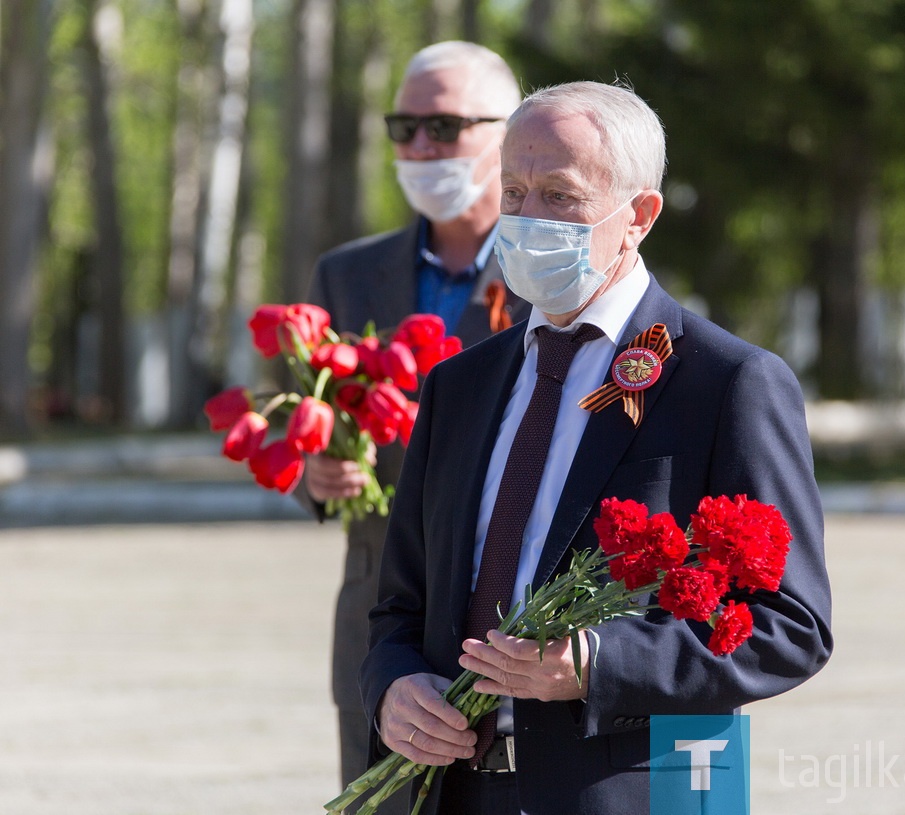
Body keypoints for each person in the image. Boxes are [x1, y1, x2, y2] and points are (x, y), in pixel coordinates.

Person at [359, 81, 834, 814]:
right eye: (513, 191)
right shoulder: (459, 385)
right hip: (445, 791)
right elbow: (398, 605)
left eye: (559, 196)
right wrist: (394, 687)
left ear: (638, 215)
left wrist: (599, 663)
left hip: (610, 792)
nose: (527, 218)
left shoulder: (725, 382)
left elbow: (790, 626)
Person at [300, 41, 530, 794]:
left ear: (509, 130)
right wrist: (319, 470)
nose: (421, 146)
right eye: (405, 128)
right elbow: (318, 418)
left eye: (445, 126)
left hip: (514, 613)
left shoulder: (555, 270)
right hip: (379, 618)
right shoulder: (348, 273)